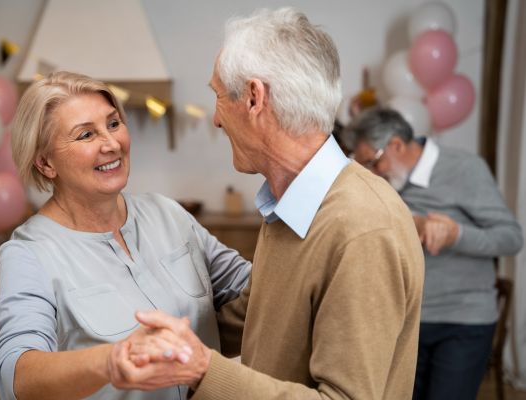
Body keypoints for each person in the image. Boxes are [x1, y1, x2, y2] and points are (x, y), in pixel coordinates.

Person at [108, 7, 425, 399]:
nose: (215, 120)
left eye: (218, 97)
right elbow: (263, 317)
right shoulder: (289, 206)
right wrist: (153, 342)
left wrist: (204, 370)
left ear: (255, 98)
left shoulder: (362, 228)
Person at [0, 71, 252, 400]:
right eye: (86, 135)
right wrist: (111, 360)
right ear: (45, 163)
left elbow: (251, 287)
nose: (111, 144)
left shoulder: (167, 213)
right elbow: (16, 376)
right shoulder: (28, 254)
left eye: (113, 124)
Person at [341, 107, 524, 400]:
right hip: (403, 322)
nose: (372, 174)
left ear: (396, 145)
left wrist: (456, 235)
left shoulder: (464, 168)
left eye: (373, 163)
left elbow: (511, 238)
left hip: (461, 320)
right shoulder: (385, 183)